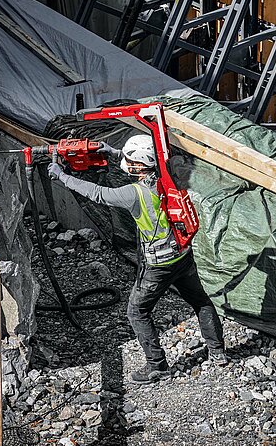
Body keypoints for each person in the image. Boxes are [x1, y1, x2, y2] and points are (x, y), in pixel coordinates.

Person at [47, 134, 227, 384]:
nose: (127, 163)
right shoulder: (168, 175)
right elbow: (144, 161)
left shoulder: (134, 194)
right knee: (201, 301)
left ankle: (157, 366)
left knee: (137, 312)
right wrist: (113, 152)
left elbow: (98, 194)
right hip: (182, 255)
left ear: (140, 165)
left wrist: (62, 176)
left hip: (158, 266)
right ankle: (218, 353)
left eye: (130, 160)